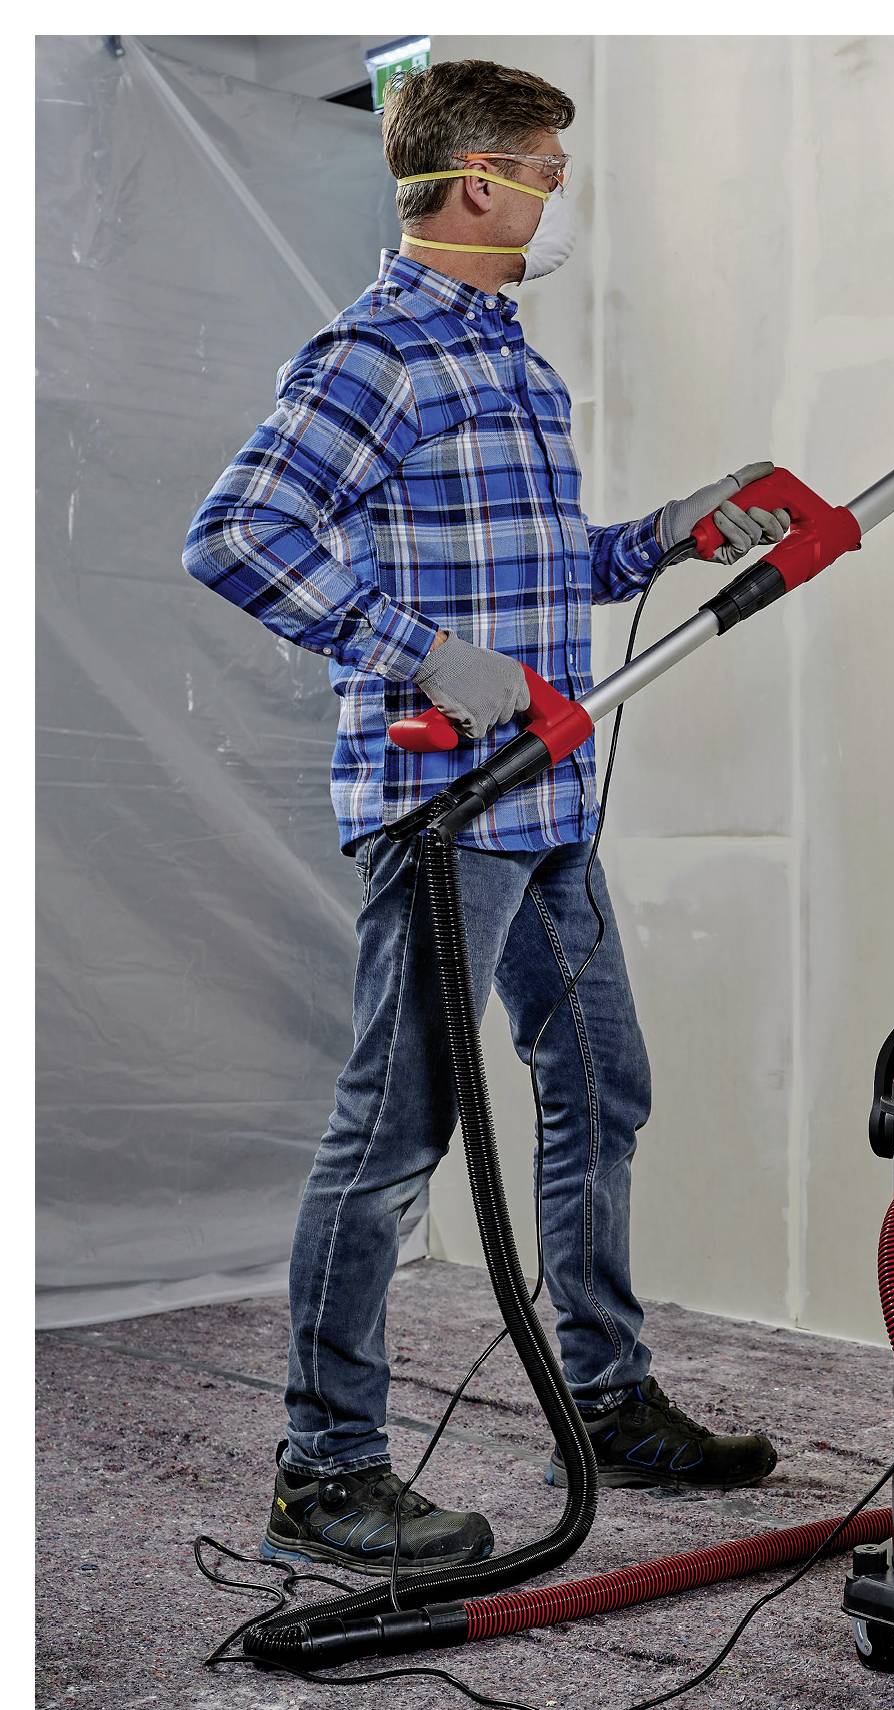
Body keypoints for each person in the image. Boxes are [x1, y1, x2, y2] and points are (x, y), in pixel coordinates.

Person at [183, 59, 784, 1575]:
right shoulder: (378, 352)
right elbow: (236, 533)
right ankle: (324, 1469)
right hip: (449, 810)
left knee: (603, 1089)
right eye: (545, 172)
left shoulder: (507, 359)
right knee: (394, 1139)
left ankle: (607, 1392)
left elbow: (537, 570)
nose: (557, 197)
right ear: (474, 185)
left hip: (552, 805)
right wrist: (433, 663)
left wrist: (672, 536)